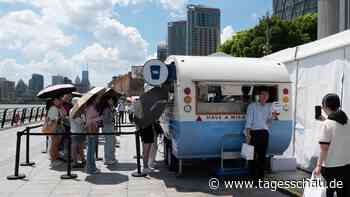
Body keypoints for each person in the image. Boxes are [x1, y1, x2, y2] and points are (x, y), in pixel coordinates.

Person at [314, 93, 350, 197]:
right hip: (347, 165)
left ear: (325, 106)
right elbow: (338, 129)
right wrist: (326, 120)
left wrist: (318, 166)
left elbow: (324, 148)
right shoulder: (347, 122)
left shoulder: (327, 124)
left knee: (329, 192)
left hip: (331, 167)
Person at [245, 87, 277, 182]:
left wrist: (273, 117)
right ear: (259, 96)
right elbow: (248, 121)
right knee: (252, 156)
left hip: (264, 133)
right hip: (254, 133)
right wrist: (248, 135)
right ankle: (253, 177)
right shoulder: (252, 106)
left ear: (268, 97)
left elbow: (268, 122)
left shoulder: (268, 107)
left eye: (266, 95)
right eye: (262, 94)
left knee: (262, 156)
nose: (264, 96)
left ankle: (261, 177)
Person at [46, 96, 65, 168]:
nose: (60, 101)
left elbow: (63, 115)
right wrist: (59, 118)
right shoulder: (53, 108)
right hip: (55, 128)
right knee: (54, 144)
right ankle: (53, 160)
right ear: (54, 101)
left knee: (56, 144)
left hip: (58, 128)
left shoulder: (57, 108)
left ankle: (55, 158)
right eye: (58, 100)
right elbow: (52, 119)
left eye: (60, 100)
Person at [85, 98, 101, 174]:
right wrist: (99, 118)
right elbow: (89, 120)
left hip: (92, 129)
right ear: (93, 100)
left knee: (91, 149)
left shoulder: (91, 107)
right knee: (91, 150)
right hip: (92, 129)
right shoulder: (91, 108)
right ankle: (91, 168)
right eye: (96, 98)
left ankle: (91, 167)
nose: (98, 100)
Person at [99, 98, 117, 165]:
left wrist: (113, 112)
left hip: (110, 127)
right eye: (110, 100)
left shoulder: (110, 108)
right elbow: (106, 120)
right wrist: (113, 114)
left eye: (112, 100)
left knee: (112, 142)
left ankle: (111, 157)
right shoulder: (106, 109)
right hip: (108, 127)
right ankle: (108, 159)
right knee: (109, 143)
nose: (112, 101)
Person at [70, 97, 86, 168]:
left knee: (79, 147)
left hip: (77, 131)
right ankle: (75, 161)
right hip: (77, 131)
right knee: (77, 147)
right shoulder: (74, 111)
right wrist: (83, 119)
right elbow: (79, 122)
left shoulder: (76, 110)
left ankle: (81, 160)